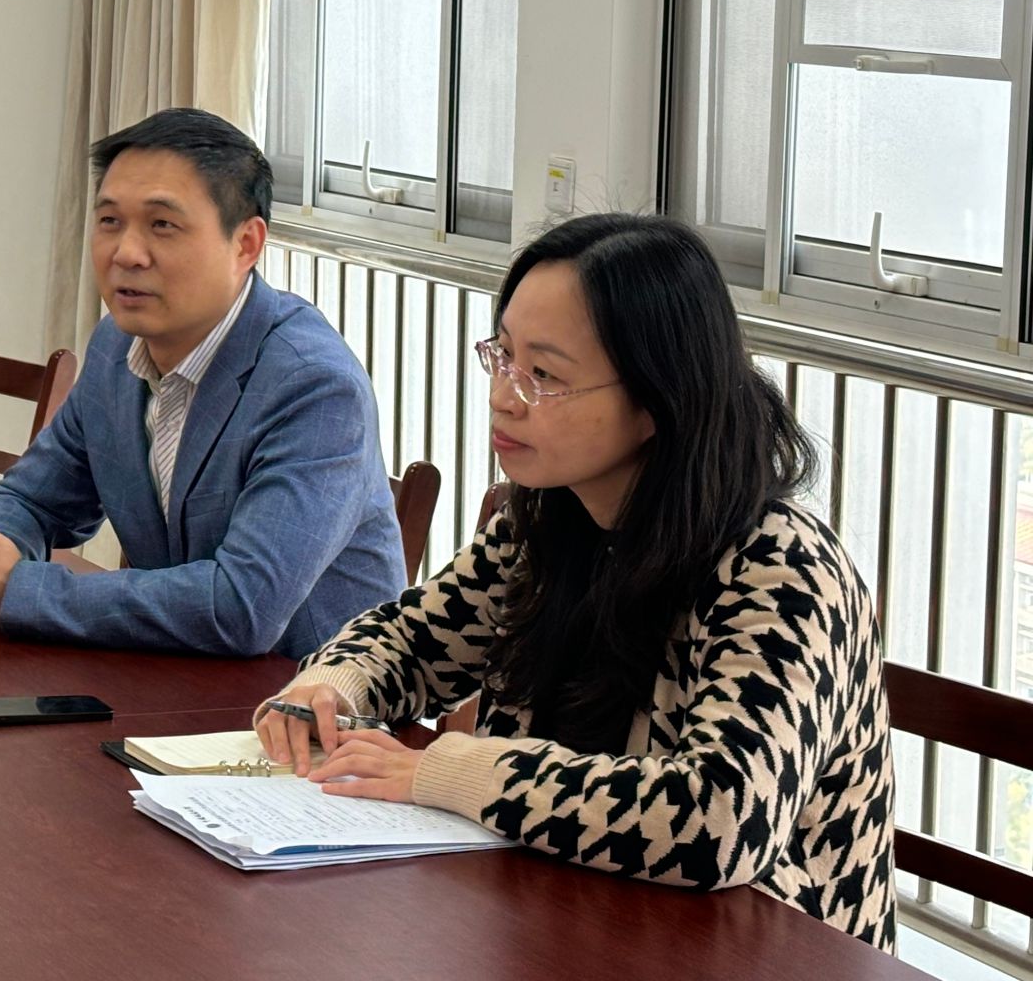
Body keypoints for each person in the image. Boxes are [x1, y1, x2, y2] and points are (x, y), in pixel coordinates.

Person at [253, 213, 894, 948]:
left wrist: (450, 770)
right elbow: (415, 638)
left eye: (544, 376)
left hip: (760, 953)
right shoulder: (550, 518)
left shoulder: (782, 571)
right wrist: (333, 686)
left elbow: (719, 818)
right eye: (503, 356)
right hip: (567, 921)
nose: (503, 396)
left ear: (655, 401)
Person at [0, 107, 404, 658]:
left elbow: (241, 607)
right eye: (109, 221)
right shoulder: (115, 346)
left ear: (246, 244)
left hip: (308, 695)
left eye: (162, 225)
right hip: (172, 674)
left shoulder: (314, 385)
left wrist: (18, 591)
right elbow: (34, 498)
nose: (126, 253)